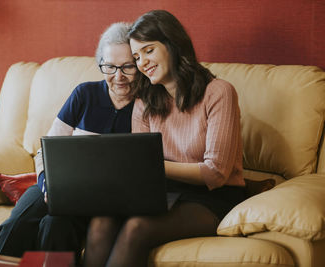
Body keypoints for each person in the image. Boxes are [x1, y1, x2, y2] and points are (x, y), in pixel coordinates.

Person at [83, 10, 246, 267]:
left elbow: (216, 173)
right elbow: (139, 167)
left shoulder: (219, 93)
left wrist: (152, 167)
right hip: (161, 192)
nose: (142, 62)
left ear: (172, 44)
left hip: (212, 197)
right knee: (100, 221)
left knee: (137, 227)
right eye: (136, 56)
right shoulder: (144, 102)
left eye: (148, 50)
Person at [0, 22, 138, 258]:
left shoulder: (147, 107)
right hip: (56, 185)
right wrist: (48, 184)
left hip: (100, 200)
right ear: (100, 64)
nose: (118, 76)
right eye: (109, 66)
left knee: (55, 225)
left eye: (127, 67)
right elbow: (46, 150)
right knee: (15, 226)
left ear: (138, 65)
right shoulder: (85, 94)